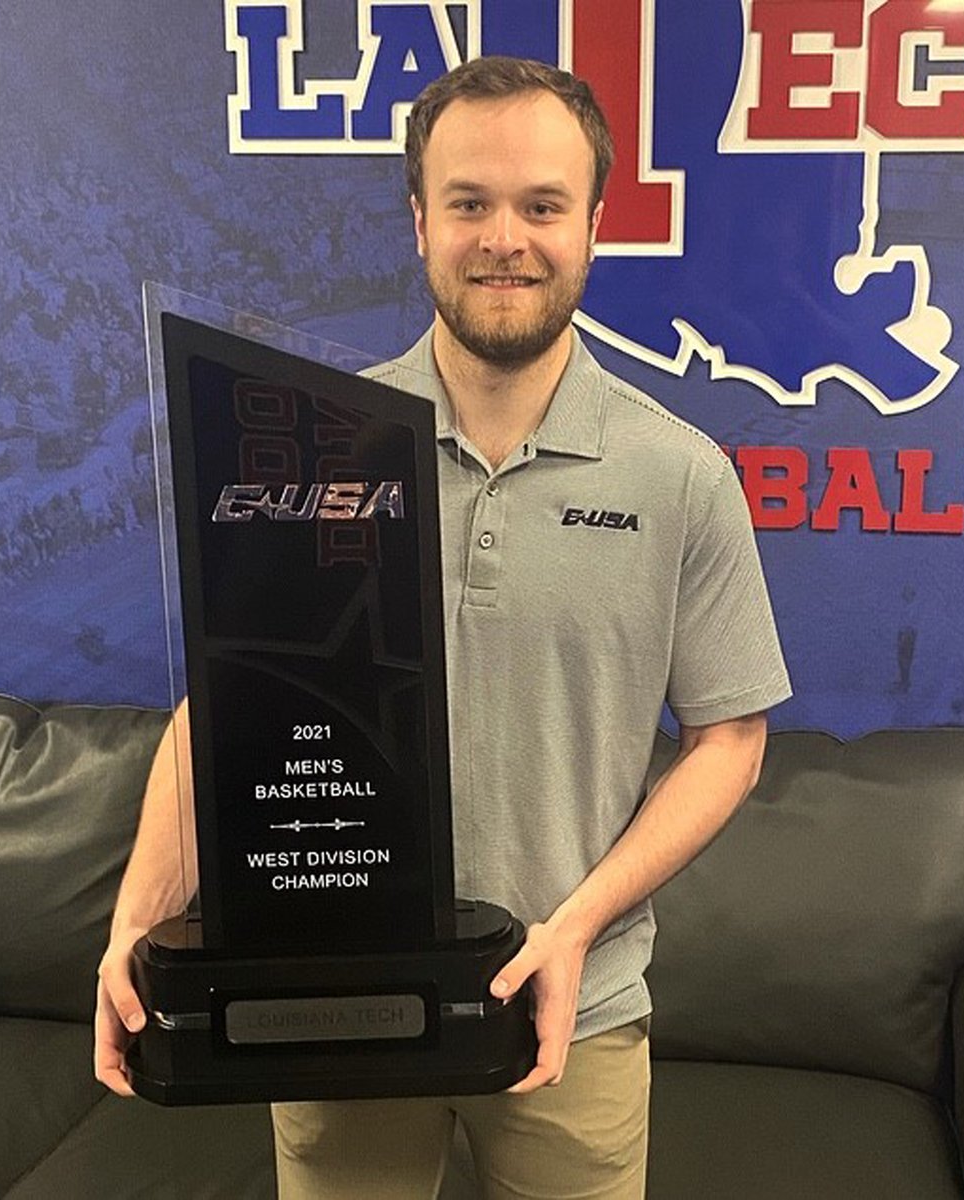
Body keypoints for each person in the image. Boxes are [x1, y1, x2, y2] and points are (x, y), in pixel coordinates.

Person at [95, 56, 791, 1199]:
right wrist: (135, 923)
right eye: (469, 202)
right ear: (420, 221)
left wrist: (573, 929)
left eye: (541, 205)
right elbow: (221, 714)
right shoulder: (310, 453)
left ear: (593, 225)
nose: (503, 238)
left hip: (578, 1011)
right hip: (335, 999)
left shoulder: (682, 476)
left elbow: (732, 738)